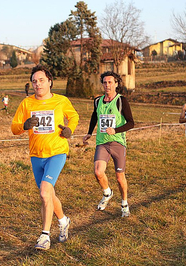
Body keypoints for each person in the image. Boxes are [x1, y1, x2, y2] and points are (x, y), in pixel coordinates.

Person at [11, 64, 79, 250]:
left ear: (49, 82)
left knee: (43, 192)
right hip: (36, 155)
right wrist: (25, 125)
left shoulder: (61, 101)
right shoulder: (27, 103)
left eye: (41, 80)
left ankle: (44, 236)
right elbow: (14, 127)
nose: (37, 84)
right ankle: (64, 221)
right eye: (34, 81)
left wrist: (69, 129)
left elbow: (73, 117)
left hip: (57, 152)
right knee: (48, 193)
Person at [82, 71, 134, 218]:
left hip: (118, 142)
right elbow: (94, 116)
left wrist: (115, 130)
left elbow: (131, 123)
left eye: (110, 82)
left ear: (116, 84)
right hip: (102, 142)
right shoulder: (97, 101)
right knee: (98, 172)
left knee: (119, 177)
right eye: (105, 82)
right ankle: (107, 193)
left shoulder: (121, 101)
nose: (107, 85)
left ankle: (124, 203)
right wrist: (89, 132)